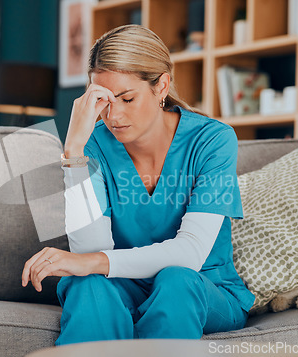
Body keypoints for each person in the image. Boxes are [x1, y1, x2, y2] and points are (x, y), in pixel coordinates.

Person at [21, 24, 255, 345]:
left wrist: (93, 263)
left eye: (127, 98)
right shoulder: (94, 145)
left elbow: (189, 254)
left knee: (175, 280)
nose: (113, 115)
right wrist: (74, 153)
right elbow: (90, 251)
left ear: (161, 86)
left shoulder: (212, 140)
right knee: (87, 283)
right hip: (123, 284)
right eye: (103, 101)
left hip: (202, 286)